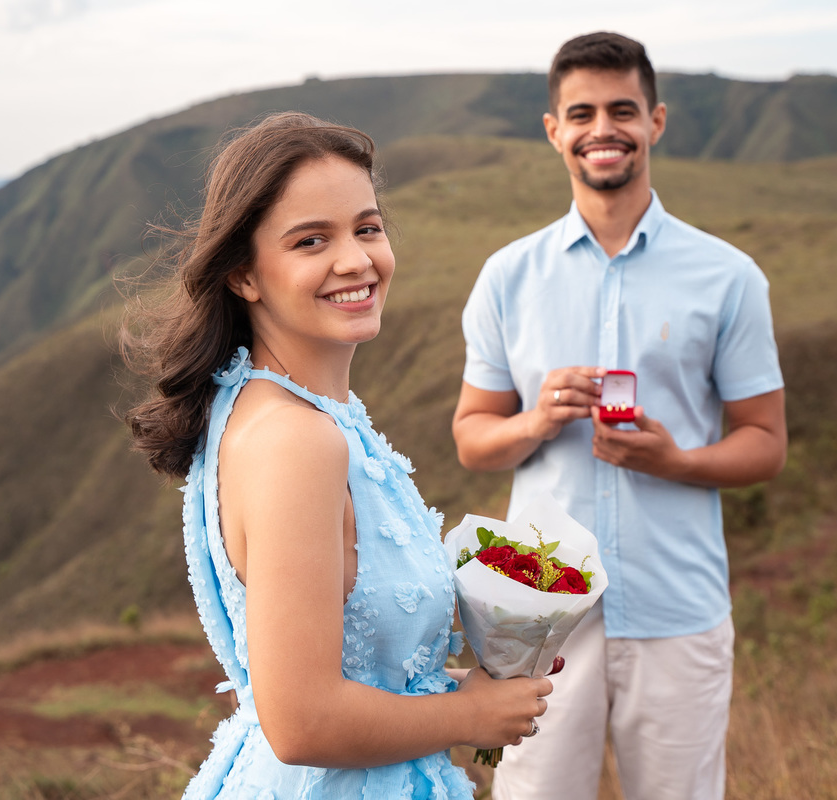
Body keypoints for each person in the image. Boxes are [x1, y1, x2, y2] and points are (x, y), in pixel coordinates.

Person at [122, 111, 552, 799]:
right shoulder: (297, 440)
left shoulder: (281, 409)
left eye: (367, 227)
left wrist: (471, 688)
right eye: (310, 240)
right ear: (244, 275)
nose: (355, 260)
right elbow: (300, 721)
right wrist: (467, 715)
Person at [452, 32, 788, 800]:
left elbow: (766, 444)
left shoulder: (728, 277)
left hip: (678, 607)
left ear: (656, 122)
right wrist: (536, 422)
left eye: (622, 110)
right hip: (540, 612)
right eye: (582, 113)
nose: (602, 128)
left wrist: (677, 461)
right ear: (554, 130)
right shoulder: (508, 277)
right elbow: (473, 438)